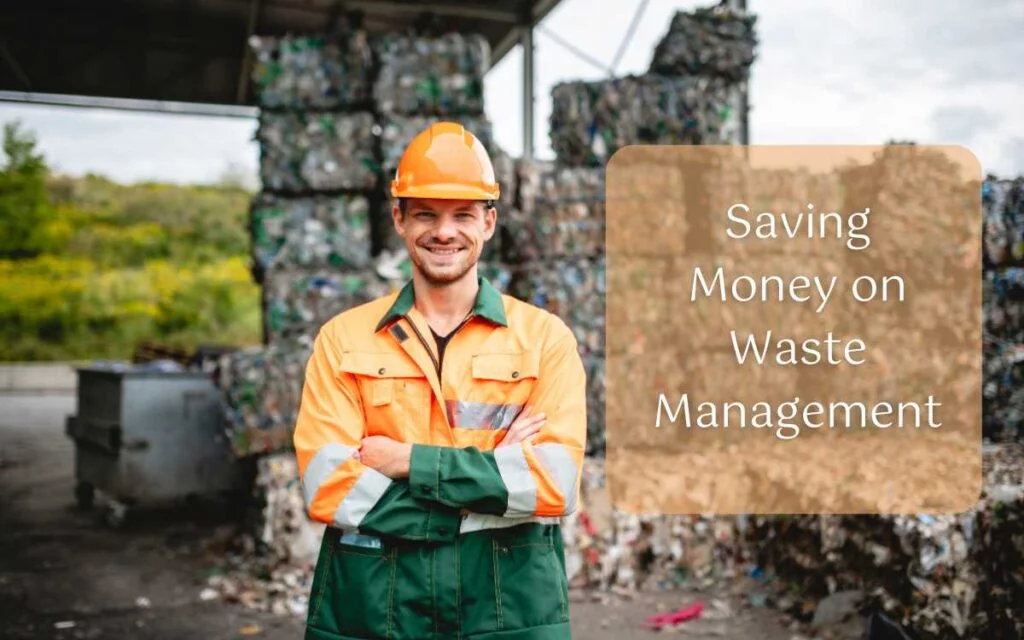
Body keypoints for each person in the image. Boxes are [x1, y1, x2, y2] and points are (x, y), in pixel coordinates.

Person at [293, 121, 588, 640]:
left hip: (507, 604)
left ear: (489, 222)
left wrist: (407, 461)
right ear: (399, 219)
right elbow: (329, 487)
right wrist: (493, 475)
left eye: (463, 215)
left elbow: (552, 485)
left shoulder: (544, 340)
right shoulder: (343, 339)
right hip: (376, 605)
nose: (444, 232)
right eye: (426, 213)